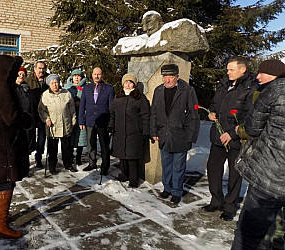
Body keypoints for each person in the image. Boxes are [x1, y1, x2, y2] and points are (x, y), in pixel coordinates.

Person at [231, 60, 285, 249]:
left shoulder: (275, 90)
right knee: (272, 233)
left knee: (248, 234)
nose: (258, 76)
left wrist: (239, 130)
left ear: (274, 75)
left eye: (262, 73)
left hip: (269, 176)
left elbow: (252, 128)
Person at [202, 57, 257, 221]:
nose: (227, 72)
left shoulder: (251, 88)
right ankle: (216, 200)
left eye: (231, 69)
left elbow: (250, 116)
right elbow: (214, 103)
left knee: (234, 174)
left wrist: (232, 134)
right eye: (227, 69)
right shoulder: (223, 84)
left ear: (243, 70)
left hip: (235, 138)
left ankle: (230, 207)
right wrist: (211, 112)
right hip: (218, 135)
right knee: (213, 168)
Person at [0, 55, 30, 239]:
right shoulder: (1, 88)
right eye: (12, 70)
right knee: (5, 181)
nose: (14, 73)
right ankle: (1, 226)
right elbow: (12, 117)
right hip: (4, 144)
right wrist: (26, 119)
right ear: (5, 70)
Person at [150, 64, 200, 204]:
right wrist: (153, 131)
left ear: (177, 77)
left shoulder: (187, 91)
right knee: (166, 164)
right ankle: (167, 188)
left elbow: (193, 114)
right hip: (164, 134)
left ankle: (177, 191)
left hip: (180, 135)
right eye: (165, 77)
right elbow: (154, 112)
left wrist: (190, 136)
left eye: (171, 77)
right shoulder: (158, 91)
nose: (167, 80)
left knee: (178, 167)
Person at [109, 73, 150, 188]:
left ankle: (133, 179)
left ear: (134, 85)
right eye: (126, 82)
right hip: (120, 131)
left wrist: (146, 131)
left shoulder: (139, 98)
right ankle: (124, 174)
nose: (127, 84)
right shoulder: (118, 96)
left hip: (134, 132)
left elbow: (145, 115)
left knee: (132, 157)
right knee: (122, 155)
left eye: (130, 82)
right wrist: (111, 125)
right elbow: (112, 112)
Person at [38, 74, 77, 174]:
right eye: (52, 83)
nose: (55, 85)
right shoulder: (45, 95)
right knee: (52, 149)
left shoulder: (66, 93)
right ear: (49, 85)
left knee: (67, 148)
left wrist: (73, 119)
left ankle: (68, 164)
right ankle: (52, 166)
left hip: (65, 125)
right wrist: (46, 119)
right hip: (53, 126)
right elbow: (42, 110)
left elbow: (72, 108)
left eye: (56, 82)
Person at [79, 67, 114, 175]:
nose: (97, 76)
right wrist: (81, 120)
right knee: (91, 143)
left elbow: (111, 107)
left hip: (103, 121)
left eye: (99, 74)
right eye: (95, 74)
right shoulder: (86, 88)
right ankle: (92, 163)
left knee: (104, 145)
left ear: (102, 75)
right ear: (92, 75)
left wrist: (110, 122)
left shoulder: (108, 88)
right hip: (90, 120)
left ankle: (105, 166)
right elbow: (82, 106)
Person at [26, 61, 49, 168]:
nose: (41, 70)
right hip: (31, 114)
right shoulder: (28, 81)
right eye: (39, 68)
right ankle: (26, 158)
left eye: (43, 68)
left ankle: (38, 157)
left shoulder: (49, 80)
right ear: (34, 69)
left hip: (44, 115)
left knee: (41, 139)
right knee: (29, 138)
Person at [64, 69, 87, 166]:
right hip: (69, 115)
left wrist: (81, 103)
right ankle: (70, 156)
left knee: (80, 137)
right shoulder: (66, 87)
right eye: (74, 76)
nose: (76, 78)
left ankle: (78, 157)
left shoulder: (85, 88)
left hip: (81, 115)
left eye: (78, 76)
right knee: (70, 137)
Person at [15, 66, 37, 154]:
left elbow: (33, 104)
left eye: (23, 75)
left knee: (27, 143)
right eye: (19, 74)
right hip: (17, 120)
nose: (21, 76)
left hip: (28, 120)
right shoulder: (12, 88)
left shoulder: (27, 88)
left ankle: (25, 164)